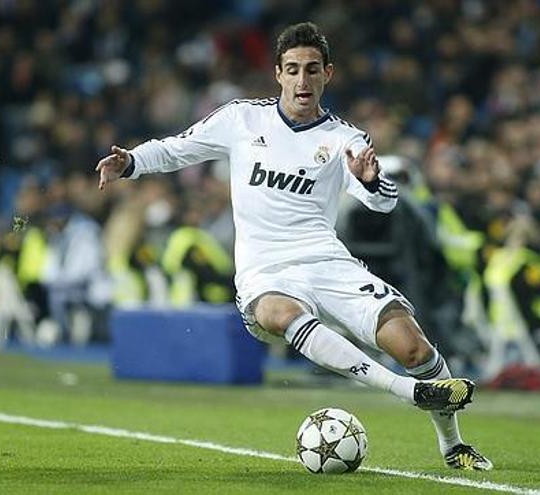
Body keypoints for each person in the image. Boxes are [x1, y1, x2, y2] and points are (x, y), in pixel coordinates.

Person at [96, 22, 492, 471]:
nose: (302, 81)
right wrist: (131, 163)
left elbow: (382, 203)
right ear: (277, 74)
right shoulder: (242, 119)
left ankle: (453, 445)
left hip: (327, 263)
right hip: (265, 273)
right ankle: (408, 392)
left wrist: (370, 181)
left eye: (311, 70)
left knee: (413, 347)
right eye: (292, 70)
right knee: (279, 313)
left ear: (328, 74)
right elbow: (176, 149)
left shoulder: (345, 139)